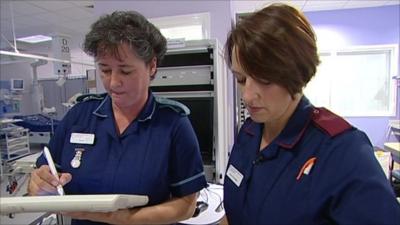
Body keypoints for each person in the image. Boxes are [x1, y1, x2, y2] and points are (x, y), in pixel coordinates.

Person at [223, 3, 400, 225]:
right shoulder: (249, 132)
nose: (247, 96)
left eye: (264, 80)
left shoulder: (343, 152)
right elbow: (235, 212)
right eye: (241, 79)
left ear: (297, 74)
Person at [28, 11, 207, 225]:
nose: (113, 83)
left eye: (126, 71)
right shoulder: (80, 116)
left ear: (152, 66)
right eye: (105, 70)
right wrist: (40, 182)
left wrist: (125, 219)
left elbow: (186, 204)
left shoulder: (172, 124)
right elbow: (44, 172)